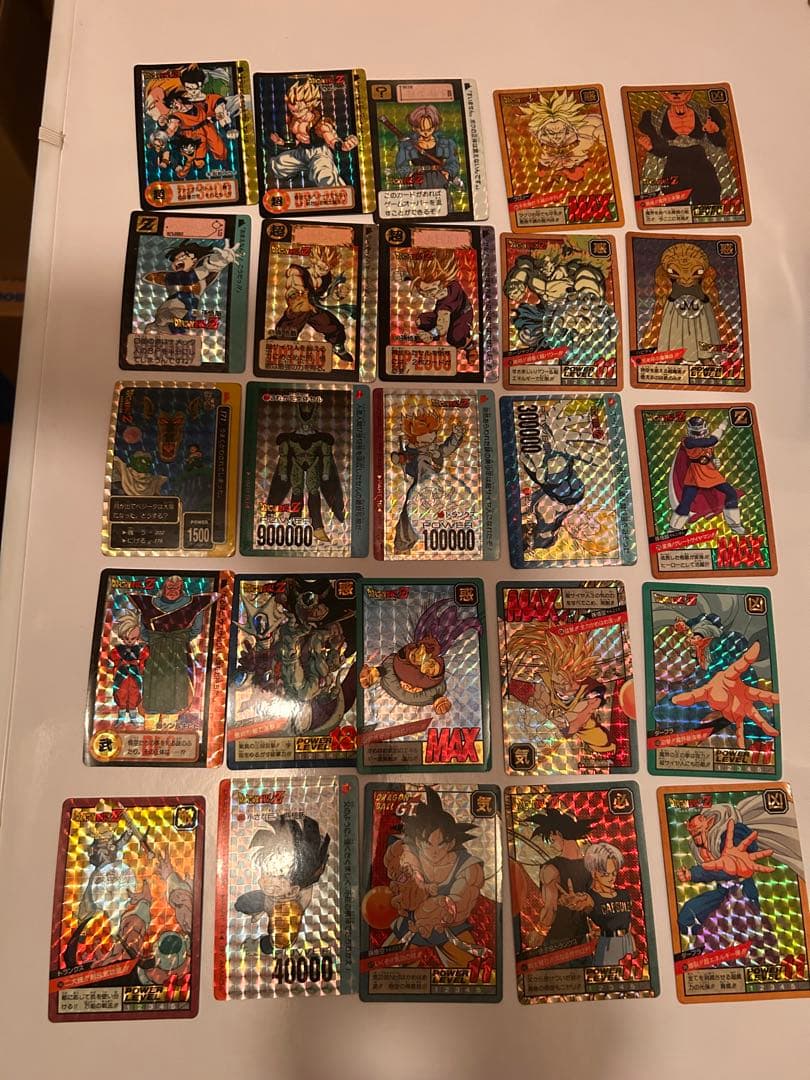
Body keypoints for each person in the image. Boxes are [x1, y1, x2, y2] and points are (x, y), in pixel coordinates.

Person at [382, 788, 485, 969]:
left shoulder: (467, 866)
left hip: (448, 928)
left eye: (441, 844)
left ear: (451, 843)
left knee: (473, 969)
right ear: (419, 842)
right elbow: (400, 867)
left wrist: (443, 909)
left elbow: (463, 898)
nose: (434, 851)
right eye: (428, 844)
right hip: (412, 925)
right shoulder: (408, 853)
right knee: (383, 968)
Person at [235, 818, 331, 953]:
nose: (261, 881)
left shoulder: (287, 903)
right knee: (243, 904)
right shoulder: (286, 883)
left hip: (283, 903)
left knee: (245, 905)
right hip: (278, 897)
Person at [637, 89, 730, 207]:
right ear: (662, 94)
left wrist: (714, 131)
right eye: (670, 92)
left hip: (701, 165)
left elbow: (720, 143)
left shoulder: (706, 114)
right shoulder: (654, 118)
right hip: (674, 165)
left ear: (691, 92)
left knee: (708, 200)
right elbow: (662, 151)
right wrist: (651, 148)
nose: (676, 94)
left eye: (682, 91)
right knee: (675, 205)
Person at [268, 76, 357, 188]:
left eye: (299, 110)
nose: (296, 114)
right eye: (292, 111)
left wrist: (343, 146)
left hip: (319, 154)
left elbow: (331, 141)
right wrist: (282, 143)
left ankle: (338, 190)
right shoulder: (293, 121)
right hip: (302, 153)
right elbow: (296, 142)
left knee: (325, 176)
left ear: (309, 106)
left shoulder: (321, 124)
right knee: (277, 164)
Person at [668, 415, 745, 535]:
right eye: (696, 433)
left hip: (710, 472)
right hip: (695, 474)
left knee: (731, 493)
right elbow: (709, 441)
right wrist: (722, 427)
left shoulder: (705, 441)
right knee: (686, 502)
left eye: (701, 432)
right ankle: (674, 530)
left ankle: (735, 524)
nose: (699, 435)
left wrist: (714, 460)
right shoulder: (688, 441)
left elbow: (709, 451)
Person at [395, 105, 461, 202]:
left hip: (439, 179)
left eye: (429, 129)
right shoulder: (408, 144)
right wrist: (409, 174)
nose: (426, 133)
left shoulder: (445, 142)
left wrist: (448, 173)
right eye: (422, 130)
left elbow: (454, 162)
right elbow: (401, 164)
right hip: (417, 180)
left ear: (435, 126)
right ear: (414, 128)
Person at [583, 842, 634, 965]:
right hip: (607, 945)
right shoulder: (591, 897)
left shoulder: (624, 894)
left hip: (627, 942)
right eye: (605, 874)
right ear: (594, 873)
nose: (611, 878)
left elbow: (629, 925)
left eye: (614, 873)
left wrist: (634, 948)